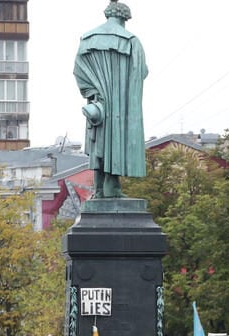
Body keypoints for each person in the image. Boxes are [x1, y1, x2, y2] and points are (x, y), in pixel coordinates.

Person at [74, 0, 148, 198]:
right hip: (121, 104)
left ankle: (99, 190)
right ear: (124, 18)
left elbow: (78, 72)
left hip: (97, 104)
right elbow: (140, 72)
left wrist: (93, 92)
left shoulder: (87, 39)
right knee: (115, 143)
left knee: (99, 143)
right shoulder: (131, 40)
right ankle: (112, 189)